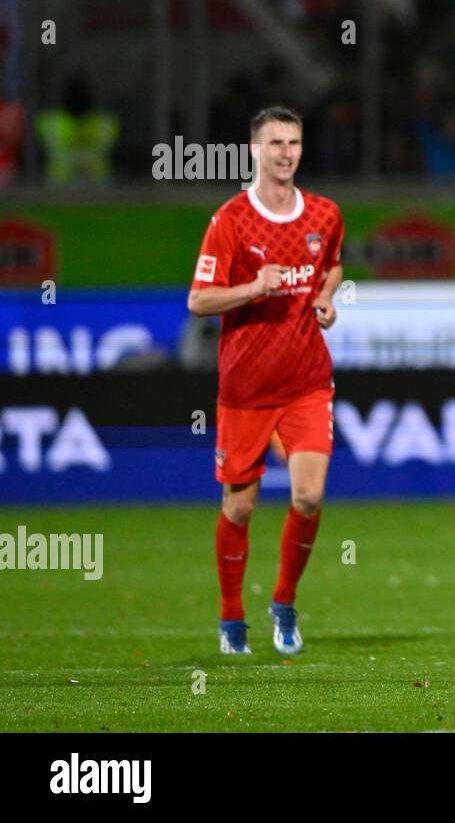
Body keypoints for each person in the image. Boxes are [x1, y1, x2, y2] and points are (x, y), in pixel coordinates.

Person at [187, 107, 344, 656]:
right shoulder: (229, 220)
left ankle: (284, 603)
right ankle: (232, 617)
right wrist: (254, 288)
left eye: (294, 142)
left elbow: (332, 266)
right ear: (254, 149)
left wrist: (325, 297)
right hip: (245, 390)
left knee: (308, 496)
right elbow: (199, 300)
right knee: (240, 508)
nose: (286, 152)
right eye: (275, 142)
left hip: (307, 381)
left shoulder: (325, 214)